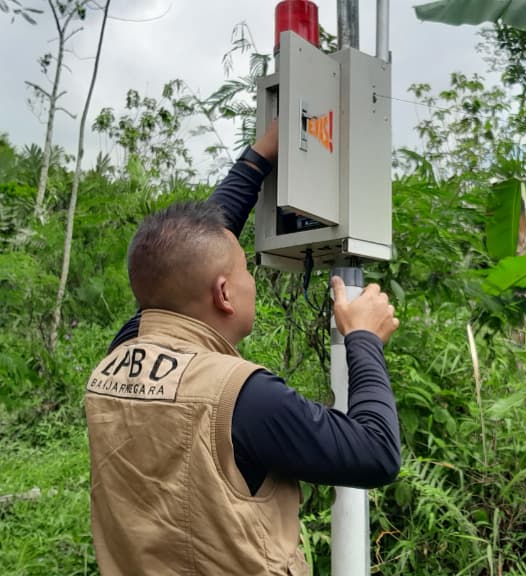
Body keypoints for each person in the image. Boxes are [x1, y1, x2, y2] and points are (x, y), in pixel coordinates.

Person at [84, 120, 402, 576]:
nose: (250, 277)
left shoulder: (118, 358)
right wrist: (364, 339)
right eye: (244, 270)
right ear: (224, 294)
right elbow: (376, 453)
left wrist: (259, 157)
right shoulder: (241, 397)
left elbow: (180, 258)